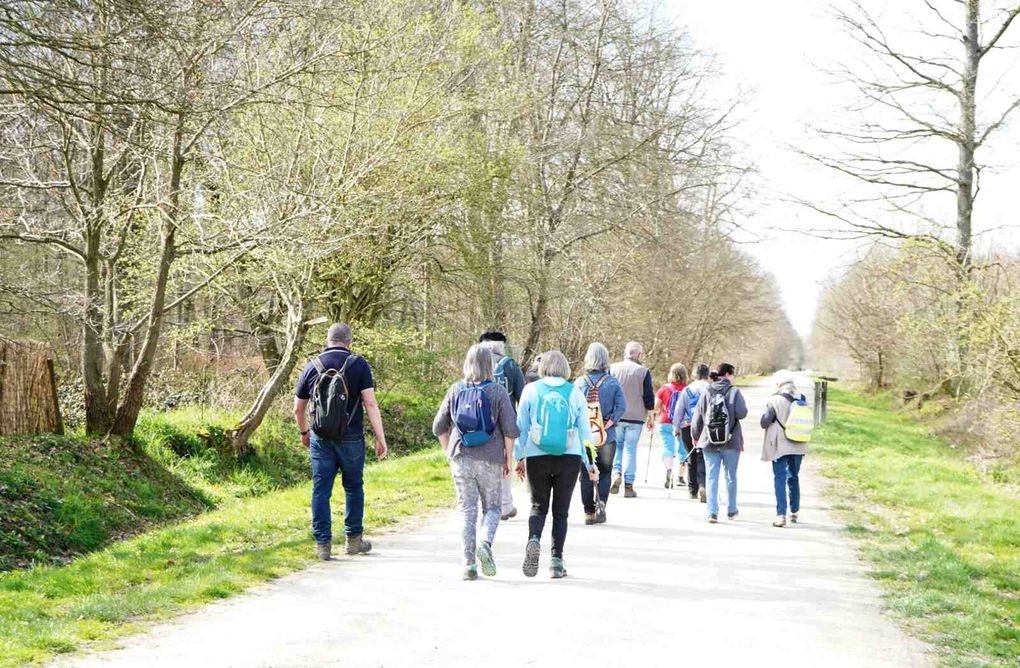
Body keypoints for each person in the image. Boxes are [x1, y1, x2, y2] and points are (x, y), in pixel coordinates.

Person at [294, 323, 388, 560]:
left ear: (327, 340)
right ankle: (353, 541)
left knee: (321, 490)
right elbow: (370, 404)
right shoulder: (359, 365)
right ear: (350, 342)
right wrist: (380, 437)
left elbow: (298, 409)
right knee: (354, 487)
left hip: (321, 439)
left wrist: (305, 433)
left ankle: (323, 545)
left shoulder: (311, 366)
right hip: (352, 438)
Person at [433, 345, 519, 579]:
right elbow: (511, 429)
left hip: (461, 457)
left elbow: (438, 427)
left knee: (467, 511)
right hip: (490, 459)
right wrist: (507, 459)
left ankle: (468, 565)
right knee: (492, 507)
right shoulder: (497, 392)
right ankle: (485, 542)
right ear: (490, 365)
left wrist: (448, 453)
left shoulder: (455, 389)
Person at [514, 350, 596, 579]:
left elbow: (520, 427)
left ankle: (533, 540)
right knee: (561, 512)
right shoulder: (575, 392)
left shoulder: (530, 390)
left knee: (538, 506)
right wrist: (590, 463)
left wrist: (519, 457)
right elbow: (585, 433)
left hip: (537, 455)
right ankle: (556, 561)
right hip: (568, 457)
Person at [574, 342, 626, 525]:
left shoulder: (580, 383)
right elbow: (621, 407)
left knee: (586, 472)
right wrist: (608, 423)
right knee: (605, 471)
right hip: (607, 436)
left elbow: (573, 409)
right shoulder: (613, 383)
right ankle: (601, 502)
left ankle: (588, 512)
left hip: (585, 436)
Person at [690, 362, 747, 523]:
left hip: (709, 441)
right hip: (731, 441)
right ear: (728, 374)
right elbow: (742, 413)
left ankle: (712, 512)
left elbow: (698, 417)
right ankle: (731, 510)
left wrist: (696, 437)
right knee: (731, 476)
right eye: (733, 374)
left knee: (711, 477)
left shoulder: (707, 390)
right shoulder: (734, 391)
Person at [478, 331, 527, 521]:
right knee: (505, 462)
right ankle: (505, 505)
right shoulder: (511, 365)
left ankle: (486, 504)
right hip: (505, 422)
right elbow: (521, 396)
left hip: (479, 421)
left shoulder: (476, 363)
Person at [760, 370, 810, 528]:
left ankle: (781, 515)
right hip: (798, 442)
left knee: (780, 478)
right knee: (794, 476)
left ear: (779, 383)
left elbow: (765, 422)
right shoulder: (802, 398)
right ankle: (794, 512)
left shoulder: (775, 399)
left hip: (780, 444)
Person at [609, 342, 654, 498]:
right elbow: (649, 397)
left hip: (617, 416)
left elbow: (608, 391)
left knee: (618, 447)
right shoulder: (643, 371)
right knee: (630, 449)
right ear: (638, 354)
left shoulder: (613, 369)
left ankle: (616, 474)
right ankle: (629, 485)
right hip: (636, 417)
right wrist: (651, 416)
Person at [673, 363, 710, 502]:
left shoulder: (687, 389)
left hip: (688, 427)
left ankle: (692, 489)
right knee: (704, 457)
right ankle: (703, 485)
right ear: (707, 375)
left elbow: (678, 411)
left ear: (695, 374)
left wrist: (676, 428)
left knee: (691, 457)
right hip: (706, 428)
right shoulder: (710, 389)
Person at [651, 363, 687, 489]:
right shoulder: (688, 389)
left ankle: (669, 471)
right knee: (683, 450)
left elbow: (655, 408)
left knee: (668, 449)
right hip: (682, 424)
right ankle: (681, 477)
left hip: (665, 422)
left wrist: (660, 409)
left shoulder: (664, 388)